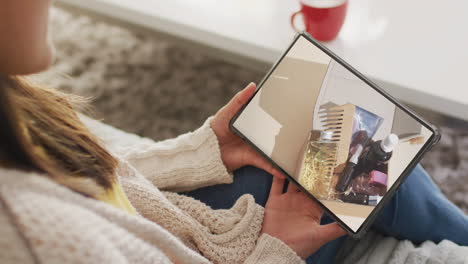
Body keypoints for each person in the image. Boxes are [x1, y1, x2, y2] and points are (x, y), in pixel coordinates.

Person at [0, 0, 466, 263]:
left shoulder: (12, 108)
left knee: (353, 152)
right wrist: (277, 249)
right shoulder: (32, 235)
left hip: (182, 224)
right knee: (371, 173)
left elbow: (96, 182)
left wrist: (203, 151)